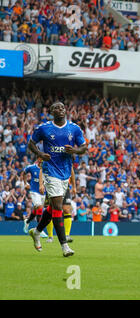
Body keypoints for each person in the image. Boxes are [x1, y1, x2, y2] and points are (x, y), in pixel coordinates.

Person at [27, 101, 87, 257]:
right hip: (50, 170)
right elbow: (31, 143)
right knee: (59, 207)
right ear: (51, 112)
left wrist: (74, 150)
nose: (60, 109)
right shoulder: (44, 128)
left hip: (65, 171)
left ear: (65, 110)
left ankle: (37, 231)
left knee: (54, 207)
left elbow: (83, 148)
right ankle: (64, 246)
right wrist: (40, 154)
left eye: (62, 107)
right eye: (56, 108)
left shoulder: (74, 128)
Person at [46, 166, 76, 243]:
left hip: (65, 187)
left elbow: (72, 172)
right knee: (51, 210)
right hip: (53, 186)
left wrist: (74, 187)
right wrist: (42, 184)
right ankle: (50, 236)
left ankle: (67, 235)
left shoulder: (67, 159)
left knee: (66, 210)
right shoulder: (52, 157)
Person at [22, 158, 48, 237]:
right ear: (39, 159)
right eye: (42, 158)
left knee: (37, 209)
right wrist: (25, 183)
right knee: (40, 208)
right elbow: (24, 172)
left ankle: (27, 221)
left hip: (43, 193)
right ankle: (39, 230)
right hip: (34, 191)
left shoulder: (47, 168)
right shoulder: (32, 167)